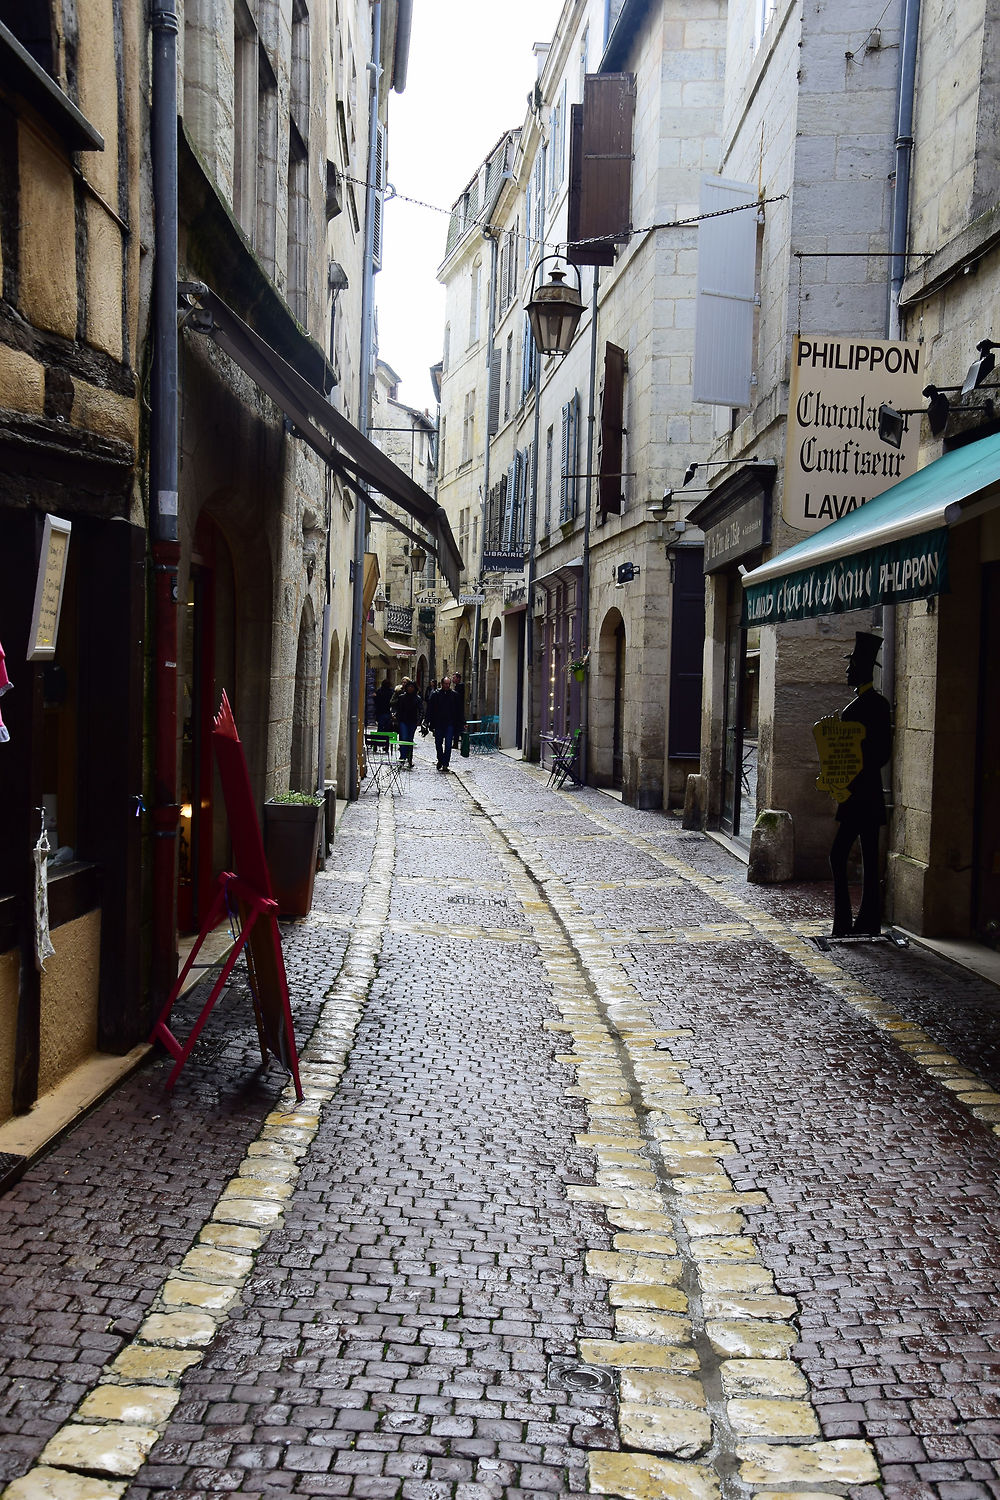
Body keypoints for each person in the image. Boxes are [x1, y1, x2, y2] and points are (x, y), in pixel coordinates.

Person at [829, 631, 892, 937]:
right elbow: (883, 755)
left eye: (850, 666)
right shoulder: (879, 705)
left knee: (838, 853)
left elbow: (861, 757)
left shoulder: (854, 711)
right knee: (869, 856)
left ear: (862, 670)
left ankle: (843, 922)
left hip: (856, 796)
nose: (846, 671)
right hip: (871, 795)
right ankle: (867, 920)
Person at [390, 677, 422, 766]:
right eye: (409, 687)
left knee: (410, 739)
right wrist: (396, 716)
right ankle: (403, 756)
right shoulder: (401, 697)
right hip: (403, 721)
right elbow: (397, 708)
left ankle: (409, 757)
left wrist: (419, 720)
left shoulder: (417, 698)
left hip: (412, 721)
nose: (410, 688)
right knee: (404, 738)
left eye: (412, 687)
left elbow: (421, 710)